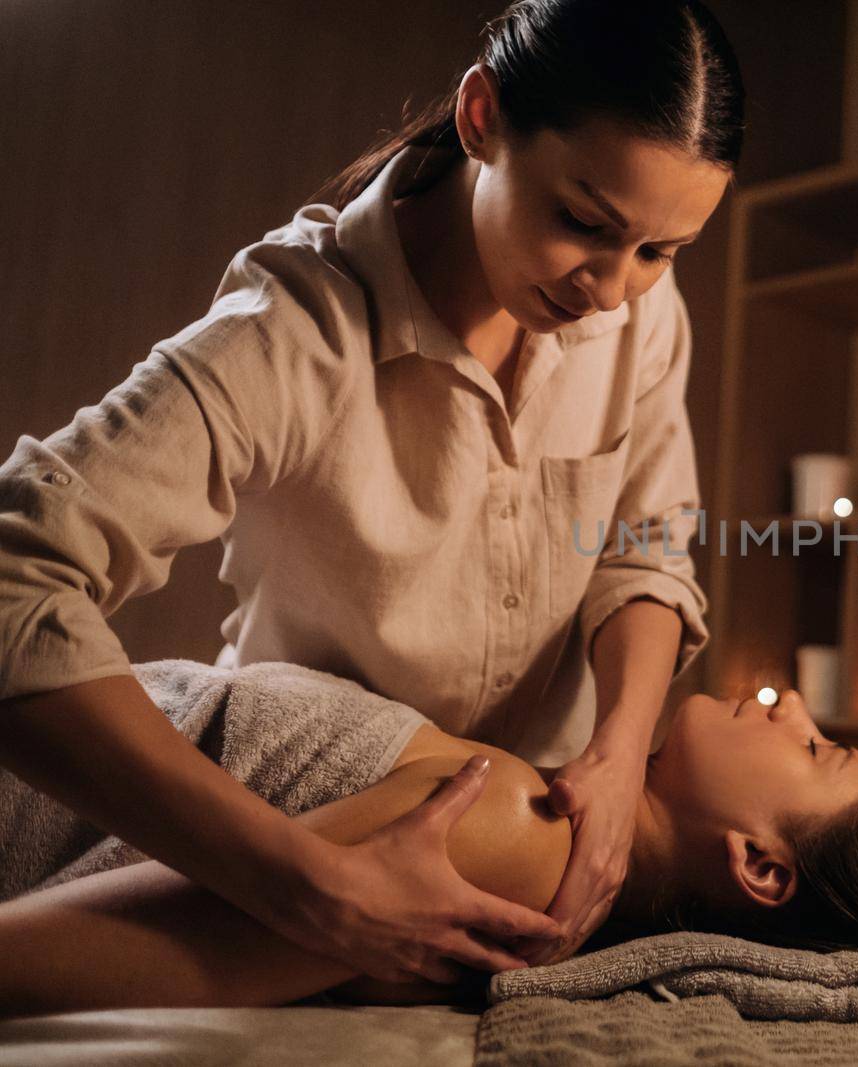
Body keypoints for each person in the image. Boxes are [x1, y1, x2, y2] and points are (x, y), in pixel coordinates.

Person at [0, 0, 742, 986]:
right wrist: (297, 876)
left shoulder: (640, 320)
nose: (610, 291)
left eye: (659, 251)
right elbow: (16, 571)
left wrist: (617, 751)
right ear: (482, 117)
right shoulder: (296, 329)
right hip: (319, 803)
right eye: (583, 222)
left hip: (518, 849)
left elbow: (645, 545)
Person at [0, 681, 858, 1041]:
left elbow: (59, 952)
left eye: (814, 747)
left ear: (760, 868)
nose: (792, 703)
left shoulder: (516, 827)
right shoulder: (542, 827)